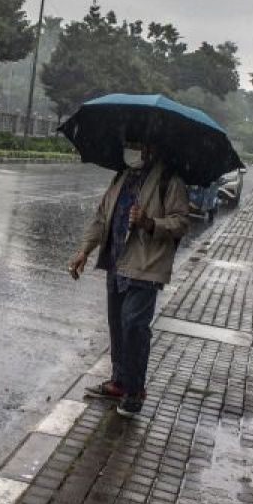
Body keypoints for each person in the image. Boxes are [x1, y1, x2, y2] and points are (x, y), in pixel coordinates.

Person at [68, 140, 190, 417]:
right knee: (118, 326)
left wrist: (150, 223)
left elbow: (182, 221)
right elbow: (101, 218)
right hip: (116, 262)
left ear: (151, 148)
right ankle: (120, 382)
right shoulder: (121, 177)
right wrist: (84, 250)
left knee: (134, 326)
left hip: (146, 265)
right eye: (128, 144)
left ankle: (135, 390)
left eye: (137, 145)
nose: (131, 150)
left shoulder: (169, 181)